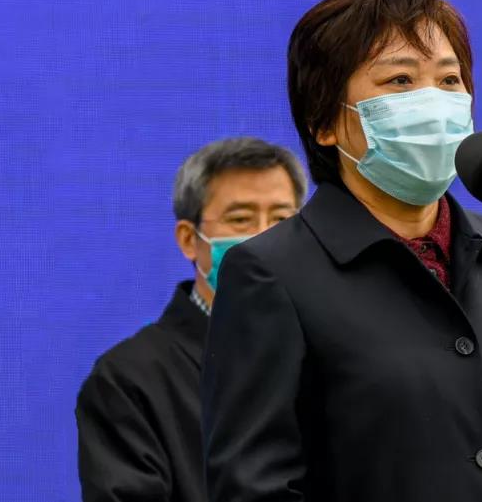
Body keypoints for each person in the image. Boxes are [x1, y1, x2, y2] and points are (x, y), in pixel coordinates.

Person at [202, 0, 482, 502]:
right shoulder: (272, 274)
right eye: (401, 81)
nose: (432, 102)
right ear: (324, 121)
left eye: (449, 80)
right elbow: (256, 488)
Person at [76, 137, 308, 502]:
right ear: (189, 239)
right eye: (241, 219)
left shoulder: (335, 353)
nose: (266, 238)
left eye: (282, 219)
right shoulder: (129, 381)